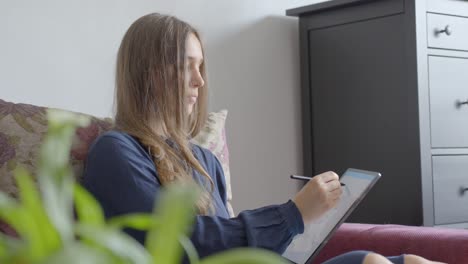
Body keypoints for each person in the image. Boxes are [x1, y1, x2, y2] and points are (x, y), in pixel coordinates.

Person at [82, 13, 444, 264]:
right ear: (150, 74)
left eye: (200, 67)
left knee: (404, 260)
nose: (199, 81)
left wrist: (304, 226)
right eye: (185, 66)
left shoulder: (203, 160)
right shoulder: (116, 153)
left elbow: (227, 245)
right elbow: (180, 245)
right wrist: (292, 215)